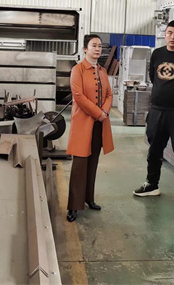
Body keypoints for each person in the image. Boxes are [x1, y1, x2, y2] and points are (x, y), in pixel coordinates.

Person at [133, 20, 174, 210]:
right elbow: (154, 77)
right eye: (169, 33)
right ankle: (152, 184)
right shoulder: (157, 53)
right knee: (154, 150)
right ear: (165, 34)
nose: (172, 37)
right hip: (157, 110)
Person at [66, 34, 114, 223]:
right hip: (83, 123)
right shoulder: (77, 70)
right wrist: (98, 113)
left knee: (93, 162)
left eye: (100, 46)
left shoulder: (102, 71)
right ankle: (73, 205)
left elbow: (109, 94)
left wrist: (105, 112)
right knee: (80, 164)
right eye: (94, 45)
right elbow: (78, 96)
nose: (98, 49)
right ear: (85, 48)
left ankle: (88, 198)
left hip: (99, 124)